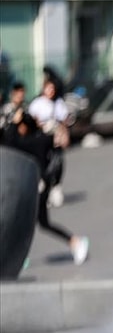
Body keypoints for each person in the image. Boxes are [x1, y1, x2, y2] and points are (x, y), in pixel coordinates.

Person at [2, 111, 89, 265]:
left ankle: (75, 242)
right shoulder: (41, 138)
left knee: (34, 222)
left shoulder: (29, 142)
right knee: (38, 223)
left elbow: (10, 141)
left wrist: (14, 124)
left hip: (37, 189)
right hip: (40, 187)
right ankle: (20, 257)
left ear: (24, 126)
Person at [28, 78, 70, 208]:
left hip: (56, 138)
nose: (50, 91)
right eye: (48, 88)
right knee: (43, 163)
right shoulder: (37, 103)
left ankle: (56, 187)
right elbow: (32, 121)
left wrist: (64, 135)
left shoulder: (58, 103)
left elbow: (64, 122)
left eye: (52, 89)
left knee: (58, 162)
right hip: (42, 138)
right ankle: (44, 190)